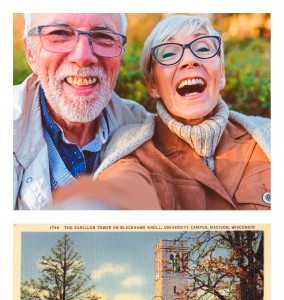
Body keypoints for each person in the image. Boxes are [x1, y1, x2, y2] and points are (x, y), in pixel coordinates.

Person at [67, 14, 268, 210]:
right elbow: (122, 188)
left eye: (203, 48)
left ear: (222, 74)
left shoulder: (268, 134)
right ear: (152, 85)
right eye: (169, 53)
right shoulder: (132, 150)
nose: (189, 60)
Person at [13, 13, 159, 210]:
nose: (82, 57)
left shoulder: (144, 128)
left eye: (103, 37)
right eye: (59, 34)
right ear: (30, 52)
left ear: (121, 53)